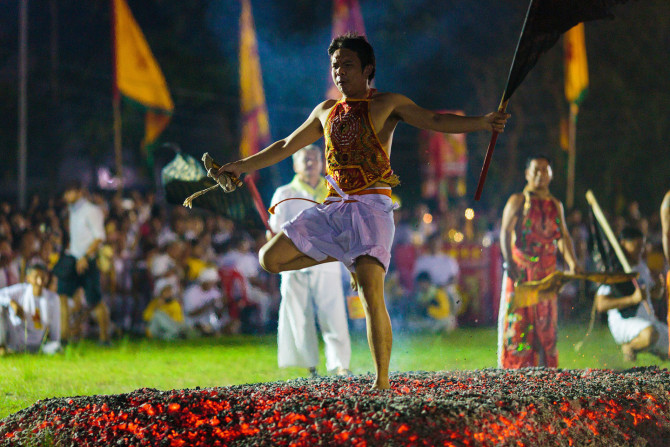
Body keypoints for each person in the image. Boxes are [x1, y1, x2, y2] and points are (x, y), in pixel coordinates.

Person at [216, 33, 509, 389]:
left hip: (370, 208)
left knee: (372, 298)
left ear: (368, 68)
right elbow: (285, 145)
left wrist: (482, 122)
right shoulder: (324, 111)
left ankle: (382, 381)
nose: (339, 71)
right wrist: (241, 166)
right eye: (335, 65)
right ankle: (342, 254)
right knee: (269, 259)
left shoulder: (387, 103)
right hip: (332, 207)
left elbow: (435, 120)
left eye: (347, 64)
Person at [268, 144, 351, 377]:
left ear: (322, 162)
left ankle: (340, 365)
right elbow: (274, 231)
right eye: (305, 159)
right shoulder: (284, 194)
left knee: (333, 314)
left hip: (326, 261)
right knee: (299, 316)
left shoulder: (333, 192)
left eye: (314, 158)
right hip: (294, 264)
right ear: (295, 165)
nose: (310, 163)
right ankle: (310, 366)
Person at [497, 155, 580, 369]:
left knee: (547, 327)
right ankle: (515, 379)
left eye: (544, 170)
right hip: (521, 273)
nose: (539, 174)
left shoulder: (556, 205)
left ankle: (547, 379)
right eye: (535, 169)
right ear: (527, 174)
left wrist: (573, 263)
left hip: (547, 275)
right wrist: (509, 262)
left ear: (551, 175)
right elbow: (505, 231)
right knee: (518, 329)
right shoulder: (517, 201)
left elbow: (562, 236)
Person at [595, 226, 668, 361]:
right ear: (623, 244)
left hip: (649, 320)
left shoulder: (641, 265)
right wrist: (632, 299)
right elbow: (601, 304)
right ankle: (630, 347)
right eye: (637, 245)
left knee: (658, 338)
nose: (641, 250)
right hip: (625, 322)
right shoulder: (615, 270)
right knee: (650, 334)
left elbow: (652, 295)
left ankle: (653, 348)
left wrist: (658, 288)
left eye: (643, 245)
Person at [56, 180, 111, 344]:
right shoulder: (72, 210)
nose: (66, 196)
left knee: (95, 300)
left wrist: (86, 257)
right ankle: (64, 338)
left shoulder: (91, 210)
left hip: (87, 260)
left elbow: (100, 237)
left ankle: (104, 338)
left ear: (79, 192)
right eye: (65, 193)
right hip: (72, 258)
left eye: (69, 192)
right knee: (63, 296)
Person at [0, 263, 61, 354]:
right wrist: (11, 302)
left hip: (37, 342)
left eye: (42, 278)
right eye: (36, 277)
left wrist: (55, 342)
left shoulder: (52, 298)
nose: (39, 282)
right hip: (15, 338)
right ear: (28, 278)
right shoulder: (20, 290)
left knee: (55, 347)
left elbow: (55, 328)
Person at [182, 267, 227, 335]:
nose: (212, 284)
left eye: (214, 282)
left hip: (211, 322)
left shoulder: (215, 292)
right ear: (203, 281)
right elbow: (190, 314)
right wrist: (208, 305)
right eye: (210, 282)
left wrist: (223, 304)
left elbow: (219, 315)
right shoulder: (191, 292)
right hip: (193, 323)